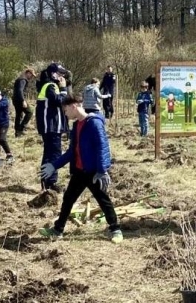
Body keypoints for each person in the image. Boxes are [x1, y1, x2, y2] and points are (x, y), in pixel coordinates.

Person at [38, 96, 122, 243]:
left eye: (65, 110)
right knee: (68, 199)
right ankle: (58, 230)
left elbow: (102, 147)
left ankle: (115, 229)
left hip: (94, 172)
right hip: (79, 171)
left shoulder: (94, 123)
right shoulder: (77, 125)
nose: (65, 114)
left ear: (74, 106)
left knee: (103, 200)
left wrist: (102, 171)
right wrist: (54, 165)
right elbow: (72, 151)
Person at [36, 63, 70, 191]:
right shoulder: (50, 86)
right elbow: (60, 101)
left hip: (51, 126)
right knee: (54, 154)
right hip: (51, 126)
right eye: (60, 73)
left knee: (49, 153)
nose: (62, 76)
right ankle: (50, 182)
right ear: (53, 74)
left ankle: (47, 182)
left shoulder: (49, 85)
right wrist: (63, 89)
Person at [12, 69, 36, 137]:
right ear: (28, 73)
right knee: (29, 112)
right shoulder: (23, 80)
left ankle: (17, 132)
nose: (32, 77)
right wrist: (23, 100)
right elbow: (20, 90)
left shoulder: (19, 79)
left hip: (15, 99)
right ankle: (21, 128)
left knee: (19, 115)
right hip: (19, 100)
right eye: (31, 75)